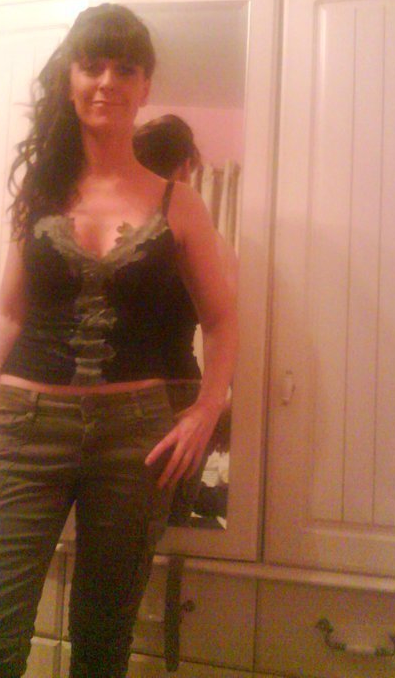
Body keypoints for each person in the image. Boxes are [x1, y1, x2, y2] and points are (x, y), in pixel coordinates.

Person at [0, 4, 238, 678]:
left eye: (125, 68)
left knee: (103, 647)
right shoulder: (40, 191)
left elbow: (223, 319)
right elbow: (7, 314)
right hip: (23, 428)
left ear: (144, 86)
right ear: (72, 79)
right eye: (93, 65)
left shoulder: (179, 202)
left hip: (136, 439)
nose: (108, 80)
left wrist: (207, 408)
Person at [133, 114, 237, 526]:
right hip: (179, 390)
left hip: (113, 389)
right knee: (169, 521)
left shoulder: (113, 230)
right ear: (186, 167)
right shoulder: (209, 242)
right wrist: (219, 404)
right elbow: (230, 323)